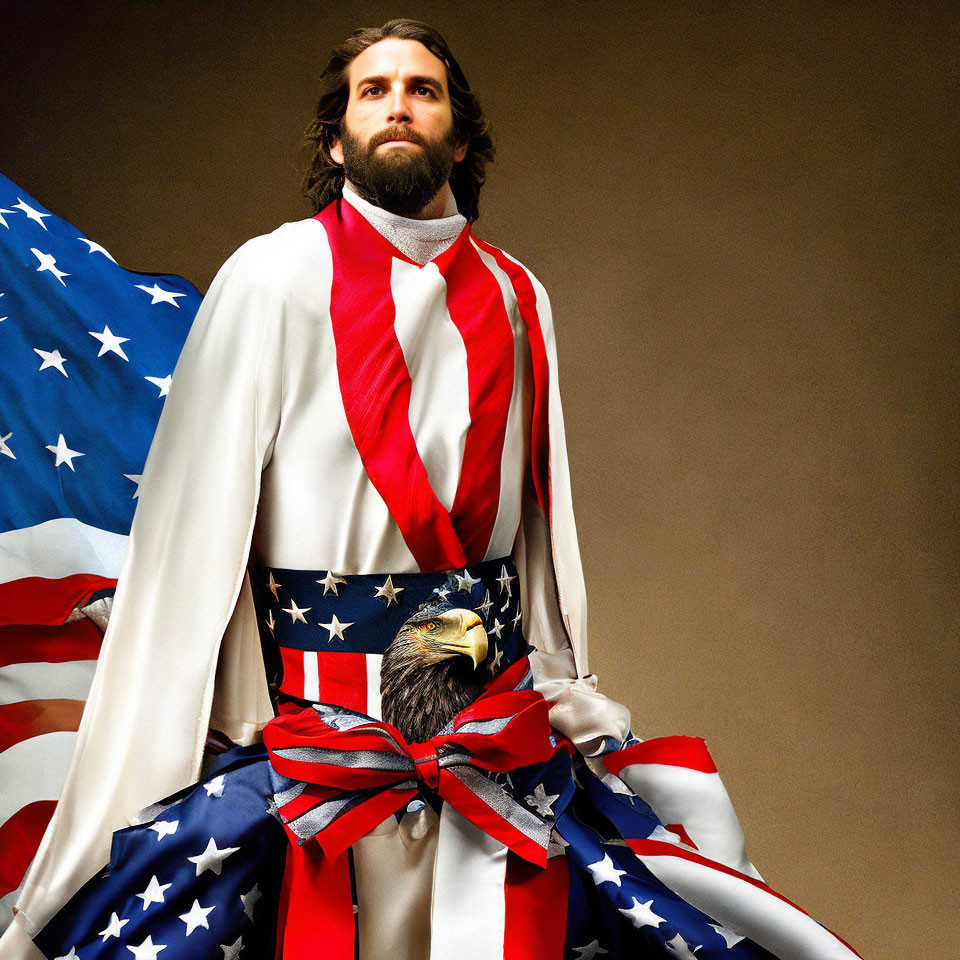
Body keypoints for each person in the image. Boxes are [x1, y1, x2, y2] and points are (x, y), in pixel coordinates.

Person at [0, 19, 860, 960]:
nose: (398, 104)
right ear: (337, 141)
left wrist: (565, 684)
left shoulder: (518, 295)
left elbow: (541, 523)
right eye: (374, 90)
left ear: (458, 135)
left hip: (494, 732)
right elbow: (195, 529)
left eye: (423, 88)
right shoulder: (271, 278)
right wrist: (206, 725)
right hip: (315, 735)